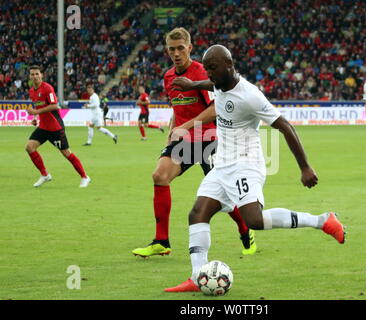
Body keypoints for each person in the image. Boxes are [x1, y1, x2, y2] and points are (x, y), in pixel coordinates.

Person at [164, 45, 345, 292]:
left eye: (212, 68)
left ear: (229, 65)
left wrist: (305, 167)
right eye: (206, 69)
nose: (209, 73)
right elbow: (211, 84)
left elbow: (286, 127)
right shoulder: (219, 82)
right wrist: (193, 85)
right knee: (198, 213)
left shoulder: (250, 95)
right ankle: (197, 278)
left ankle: (323, 221)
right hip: (223, 165)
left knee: (254, 220)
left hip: (246, 165)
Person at [132, 28, 256, 258]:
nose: (176, 53)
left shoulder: (202, 72)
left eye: (181, 48)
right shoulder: (169, 76)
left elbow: (216, 108)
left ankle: (245, 228)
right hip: (184, 140)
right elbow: (177, 108)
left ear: (189, 48)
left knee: (226, 197)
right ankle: (161, 241)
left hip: (209, 139)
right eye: (172, 49)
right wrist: (172, 130)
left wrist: (186, 126)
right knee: (160, 176)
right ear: (167, 50)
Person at [25, 65, 90, 188]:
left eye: (37, 74)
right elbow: (37, 107)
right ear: (29, 76)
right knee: (29, 147)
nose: (35, 76)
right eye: (32, 74)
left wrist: (36, 113)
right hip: (43, 127)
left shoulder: (47, 88)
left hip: (55, 127)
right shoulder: (32, 91)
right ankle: (45, 175)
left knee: (66, 153)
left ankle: (85, 177)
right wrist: (34, 118)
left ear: (41, 75)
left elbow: (55, 106)